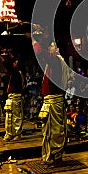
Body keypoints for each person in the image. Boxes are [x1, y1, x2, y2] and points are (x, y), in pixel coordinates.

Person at [34, 33, 70, 165]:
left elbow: (41, 54)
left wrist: (35, 40)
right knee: (49, 131)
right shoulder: (54, 61)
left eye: (51, 46)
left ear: (57, 50)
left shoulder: (56, 60)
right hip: (51, 101)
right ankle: (50, 156)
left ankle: (56, 156)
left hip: (54, 101)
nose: (49, 49)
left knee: (55, 131)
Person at [1, 52, 25, 141]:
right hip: (11, 97)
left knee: (16, 118)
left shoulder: (17, 73)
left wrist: (1, 58)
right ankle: (9, 133)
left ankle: (17, 134)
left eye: (15, 63)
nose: (13, 64)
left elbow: (8, 66)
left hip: (16, 97)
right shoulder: (15, 73)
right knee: (9, 117)